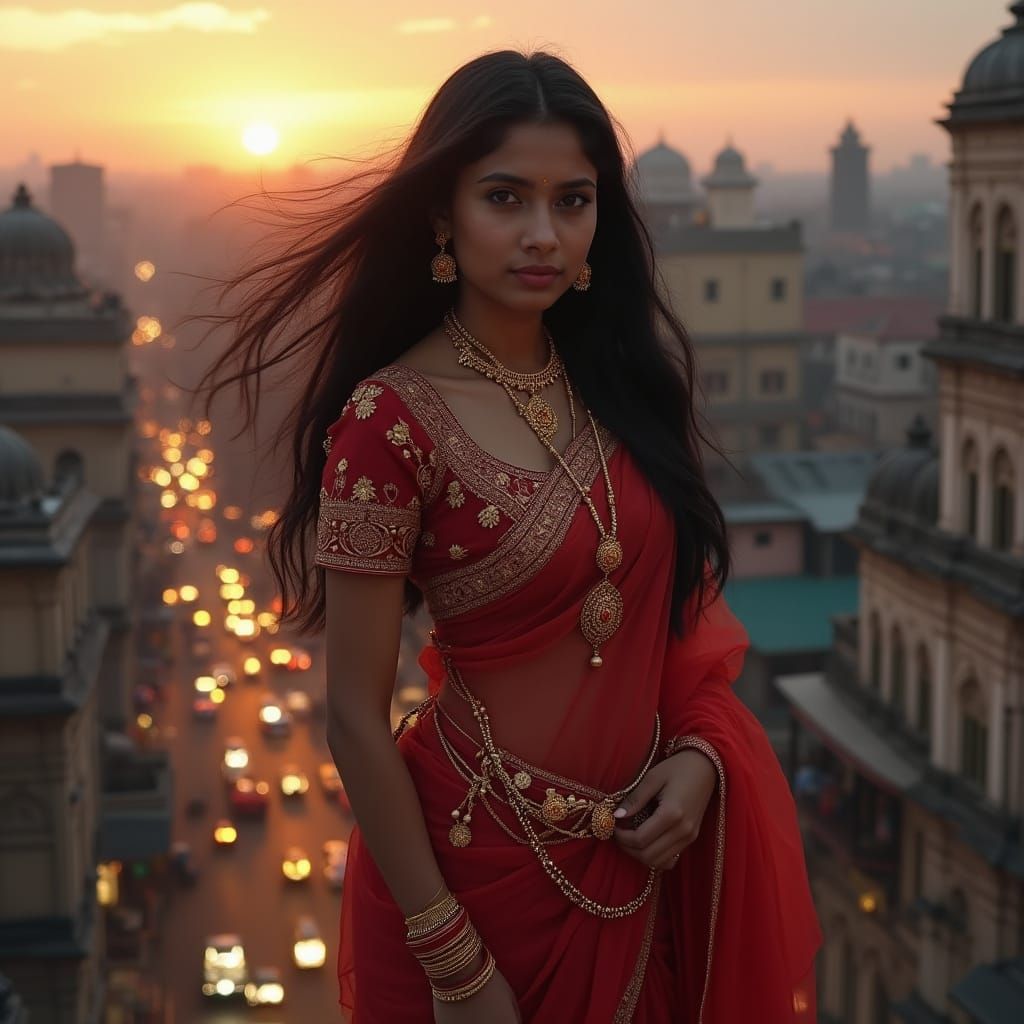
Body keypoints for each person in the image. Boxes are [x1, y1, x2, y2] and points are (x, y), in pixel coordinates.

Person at [198, 49, 821, 1023]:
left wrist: (701, 762)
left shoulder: (619, 387)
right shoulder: (388, 419)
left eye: (572, 202)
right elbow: (356, 717)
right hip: (476, 877)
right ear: (442, 216)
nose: (543, 234)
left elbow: (680, 628)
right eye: (504, 198)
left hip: (639, 860)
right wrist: (452, 960)